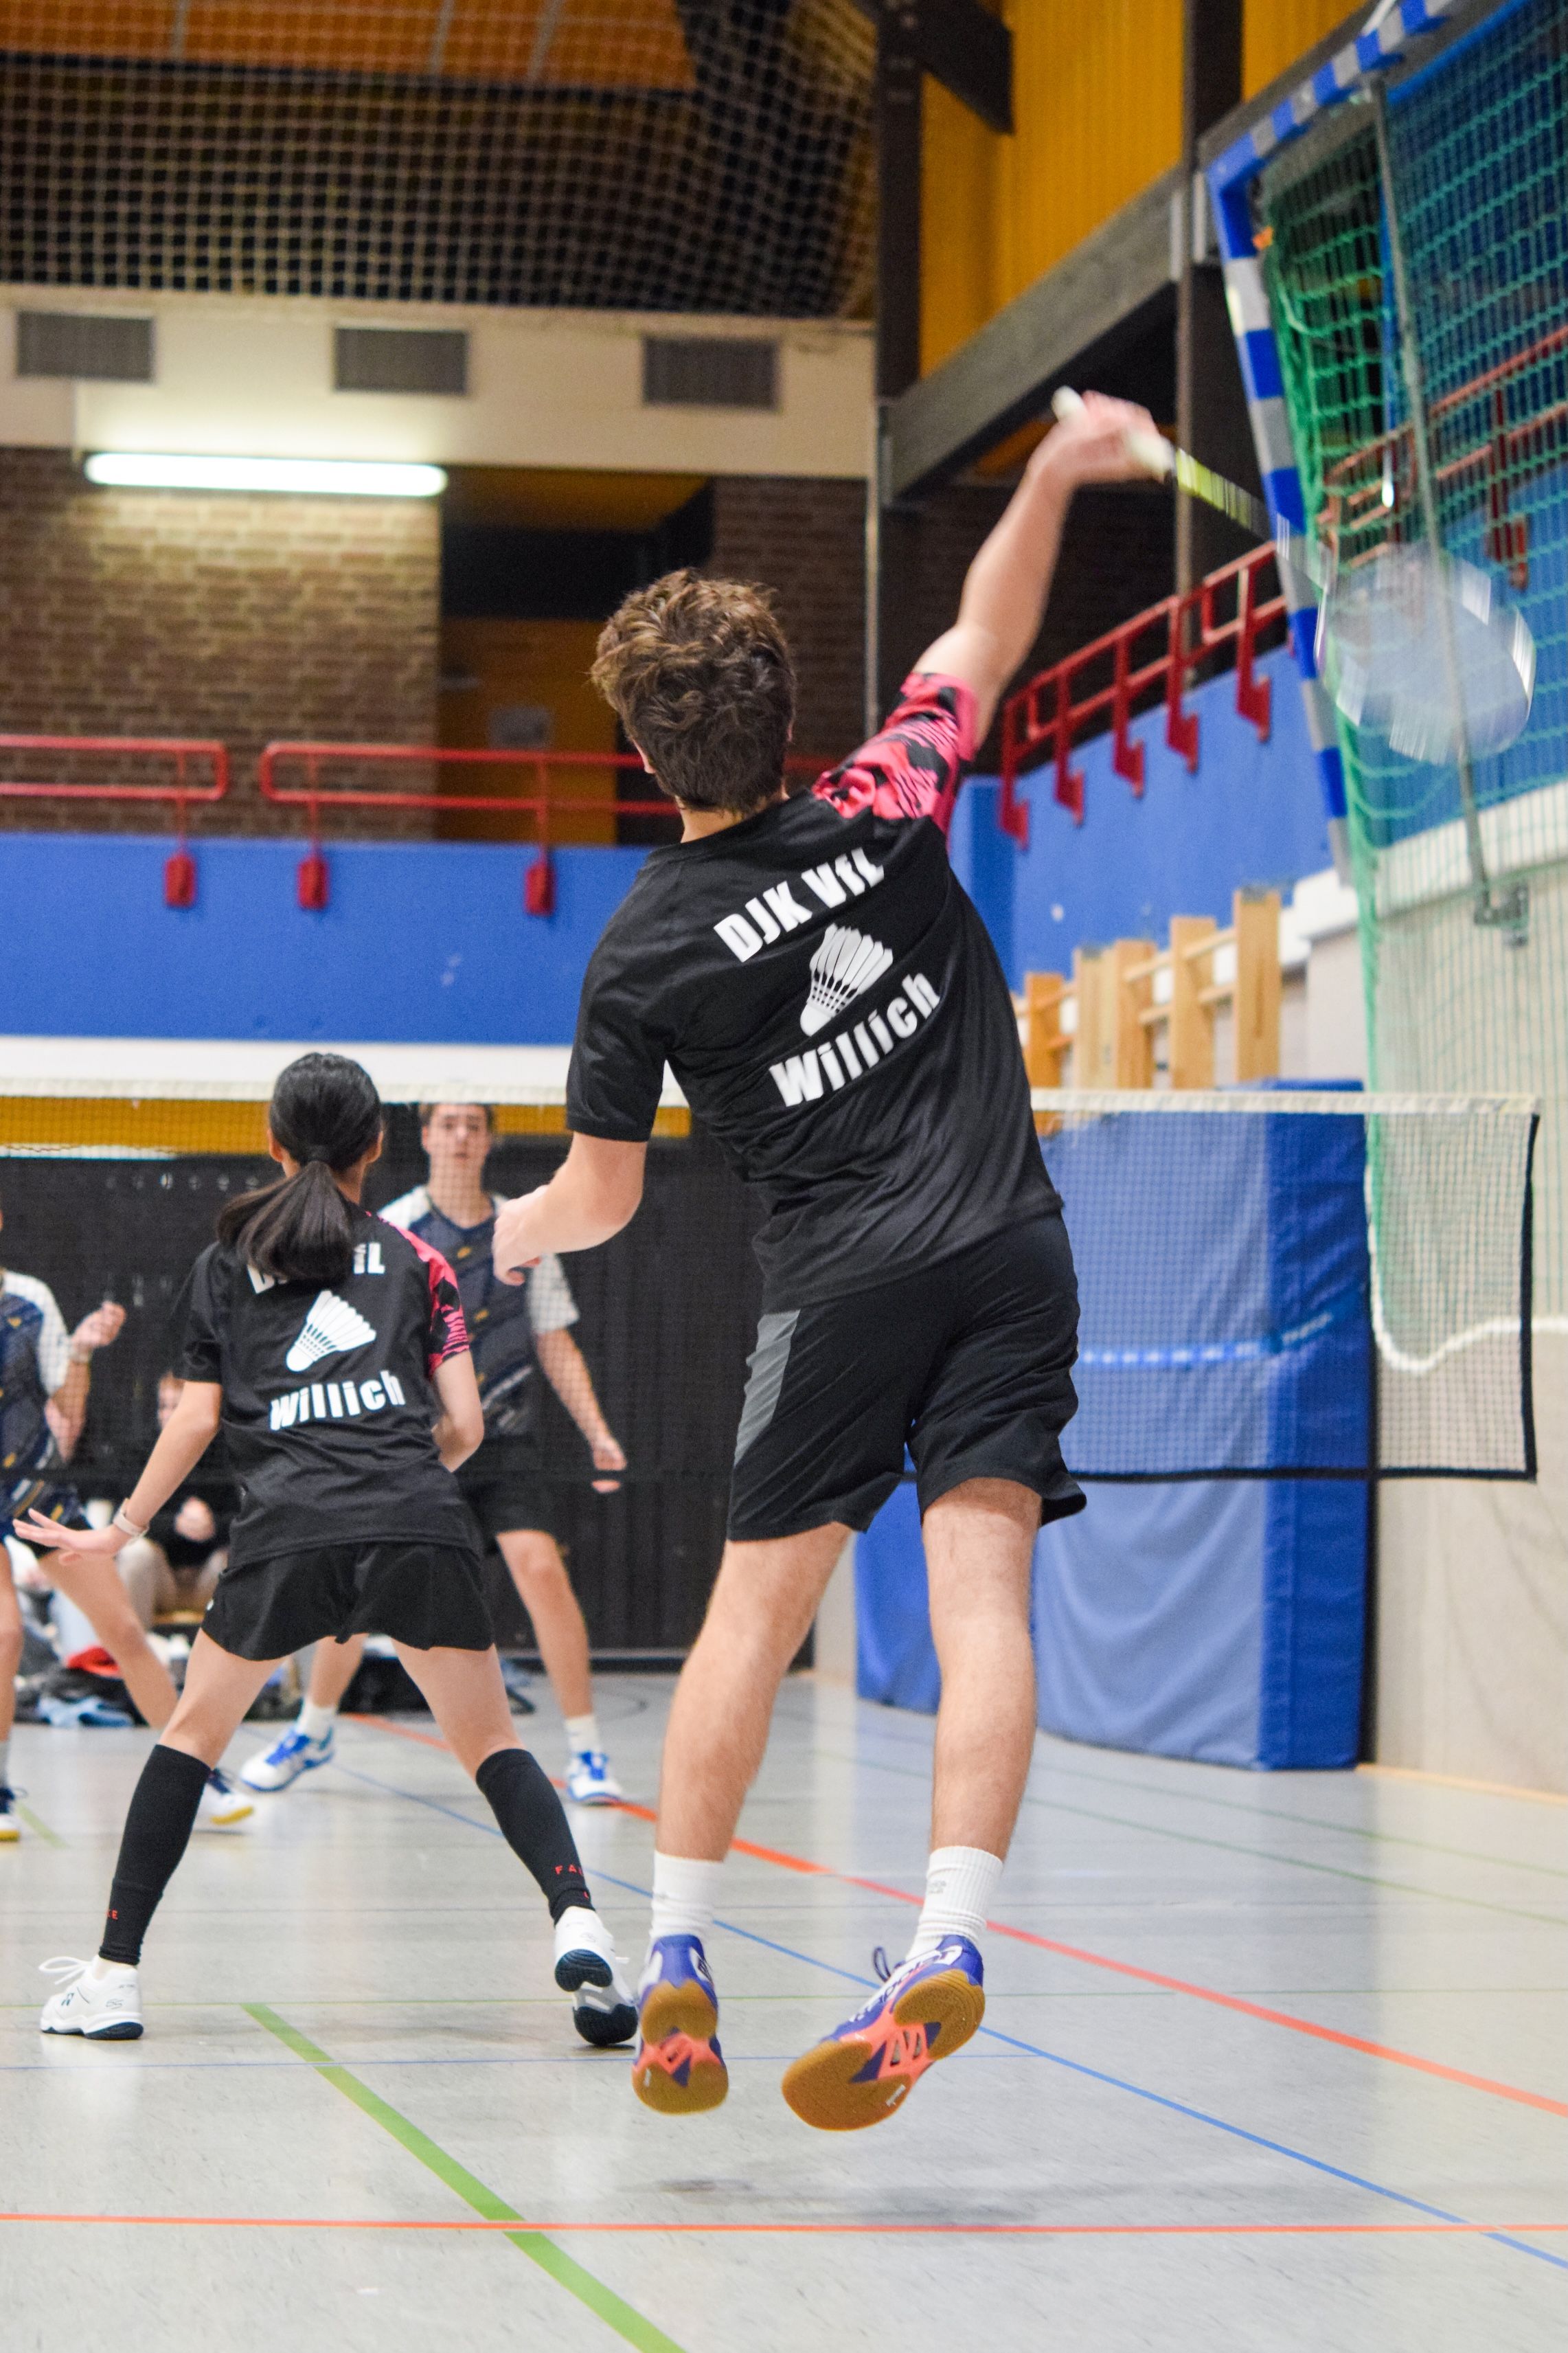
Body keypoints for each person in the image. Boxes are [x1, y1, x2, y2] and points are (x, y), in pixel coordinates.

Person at [488, 394, 1154, 2128]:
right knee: (983, 1598)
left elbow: (605, 1202)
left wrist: (516, 1223)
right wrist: (1054, 467)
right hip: (1012, 1251)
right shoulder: (887, 796)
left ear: (648, 754)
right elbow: (982, 635)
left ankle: (680, 1956)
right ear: (787, 716)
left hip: (841, 1284)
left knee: (751, 1616)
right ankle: (949, 1934)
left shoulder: (639, 953)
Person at [31, 1052, 635, 2048]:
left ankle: (113, 1978)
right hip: (419, 1522)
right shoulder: (422, 1259)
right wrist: (394, 1479)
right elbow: (466, 1426)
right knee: (494, 1747)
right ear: (379, 1145)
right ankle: (580, 1921)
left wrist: (120, 1527)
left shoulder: (224, 1261)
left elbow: (194, 1423)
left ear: (273, 1143)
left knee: (188, 1739)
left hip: (288, 1530)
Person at [239, 1101, 628, 1803]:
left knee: (540, 1568)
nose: (460, 1136)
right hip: (414, 1439)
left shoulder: (526, 1226)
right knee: (358, 1581)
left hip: (503, 1438)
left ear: (490, 1140)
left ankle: (587, 1749)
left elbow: (552, 1339)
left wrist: (598, 1432)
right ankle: (313, 1728)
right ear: (424, 1137)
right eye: (447, 1123)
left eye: (473, 1124)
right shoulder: (395, 1229)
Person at [0, 1194, 249, 1836]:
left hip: (37, 1491)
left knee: (126, 1633)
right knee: (4, 1635)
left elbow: (67, 1411)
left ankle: (195, 1776)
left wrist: (81, 1351)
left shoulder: (30, 1298)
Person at [115, 1374, 231, 1629]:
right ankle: (134, 1649)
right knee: (136, 1553)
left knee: (236, 1558)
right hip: (161, 1581)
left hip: (208, 1580)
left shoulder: (224, 1452)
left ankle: (238, 1650)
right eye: (163, 1406)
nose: (168, 1415)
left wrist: (213, 1526)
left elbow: (245, 1519)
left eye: (176, 1407)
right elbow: (123, 1521)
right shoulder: (139, 1453)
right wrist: (174, 1525)